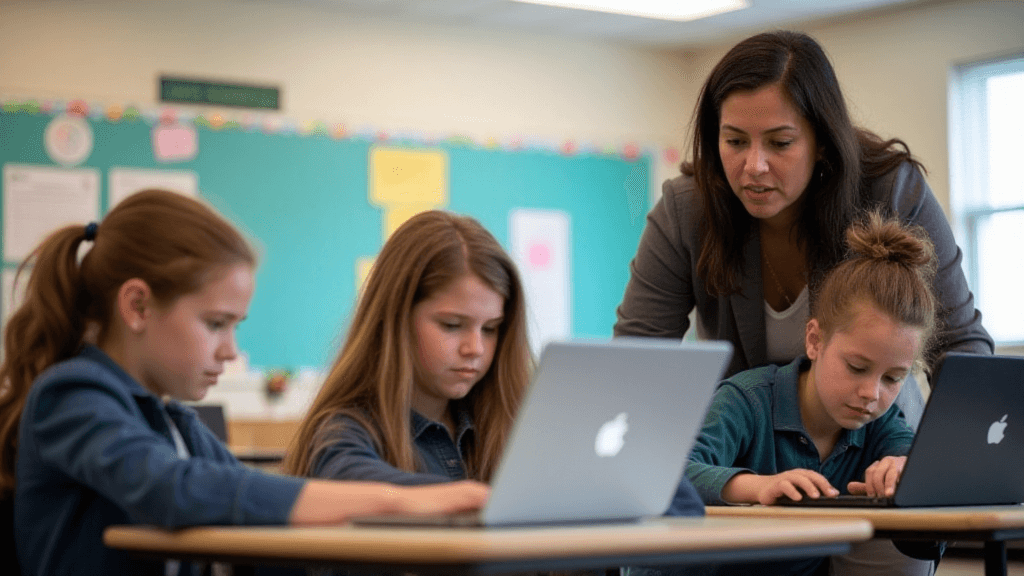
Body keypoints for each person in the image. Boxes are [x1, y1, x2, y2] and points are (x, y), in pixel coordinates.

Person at [0, 190, 488, 576]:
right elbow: (175, 490)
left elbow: (253, 499)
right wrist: (399, 500)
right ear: (138, 306)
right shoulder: (70, 396)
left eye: (235, 326)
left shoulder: (175, 423)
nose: (231, 351)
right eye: (216, 323)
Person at [613, 30, 992, 427]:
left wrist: (945, 452)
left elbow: (960, 347)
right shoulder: (687, 209)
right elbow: (636, 359)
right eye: (735, 141)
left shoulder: (890, 191)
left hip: (877, 444)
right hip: (748, 450)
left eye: (780, 143)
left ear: (822, 141)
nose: (754, 166)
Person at [637, 212, 941, 576]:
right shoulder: (744, 400)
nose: (871, 394)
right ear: (814, 340)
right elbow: (670, 475)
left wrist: (906, 470)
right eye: (857, 367)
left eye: (893, 378)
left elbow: (911, 458)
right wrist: (757, 486)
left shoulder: (882, 422)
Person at [281, 210, 532, 485]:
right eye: (451, 325)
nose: (476, 348)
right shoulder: (344, 433)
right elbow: (357, 483)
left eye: (490, 329)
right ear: (396, 320)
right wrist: (483, 498)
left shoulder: (507, 423)